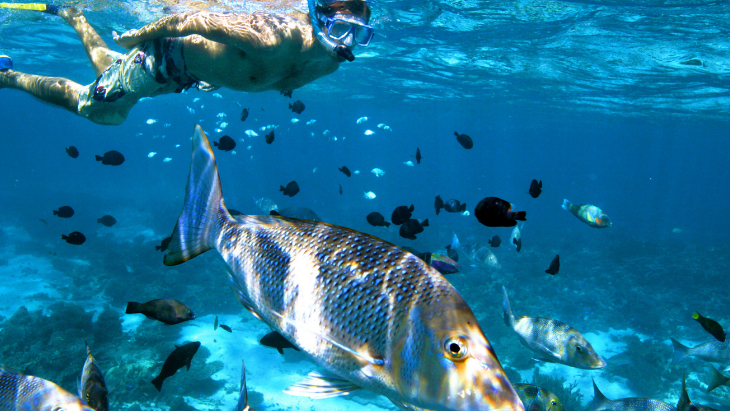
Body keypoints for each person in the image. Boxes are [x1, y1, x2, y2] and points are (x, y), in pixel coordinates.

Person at [0, 0, 373, 125]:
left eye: (358, 35)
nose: (346, 43)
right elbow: (189, 21)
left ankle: (74, 15)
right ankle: (8, 76)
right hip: (165, 56)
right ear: (317, 16)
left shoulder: (330, 63)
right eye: (341, 28)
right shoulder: (273, 36)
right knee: (100, 111)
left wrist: (219, 72)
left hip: (187, 74)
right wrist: (138, 36)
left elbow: (271, 77)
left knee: (111, 76)